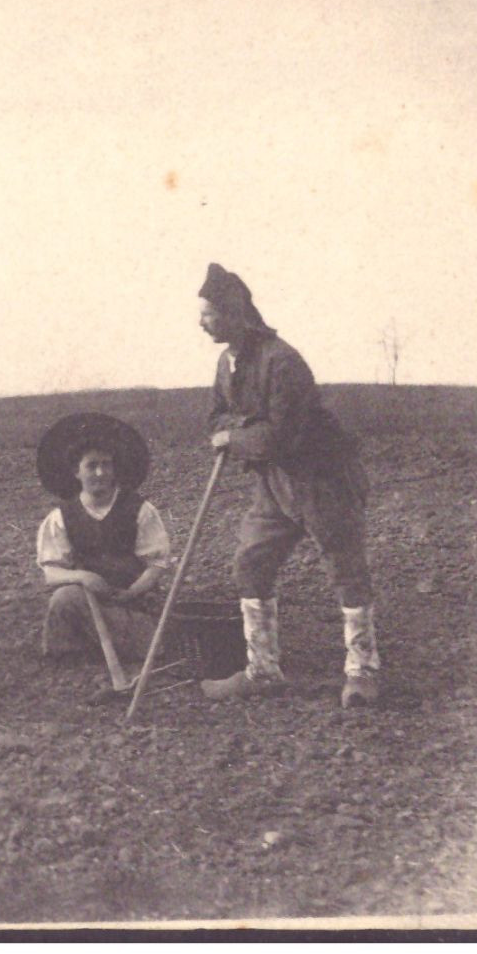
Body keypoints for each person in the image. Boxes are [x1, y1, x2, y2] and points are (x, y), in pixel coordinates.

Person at [196, 263, 381, 706]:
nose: (201, 322)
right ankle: (263, 670)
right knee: (250, 563)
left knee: (345, 569)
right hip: (273, 483)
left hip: (322, 478)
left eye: (208, 314)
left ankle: (364, 673)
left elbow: (280, 435)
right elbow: (215, 417)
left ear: (235, 314)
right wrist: (240, 430)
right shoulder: (227, 362)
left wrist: (235, 435)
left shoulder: (283, 361)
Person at [35, 412, 171, 663]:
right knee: (64, 598)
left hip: (133, 604)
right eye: (91, 465)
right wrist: (82, 577)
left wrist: (132, 592)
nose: (100, 473)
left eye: (106, 465)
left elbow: (157, 564)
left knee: (156, 646)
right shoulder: (61, 517)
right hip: (89, 602)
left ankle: (112, 645)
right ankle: (79, 649)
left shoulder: (139, 510)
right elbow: (51, 573)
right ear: (76, 472)